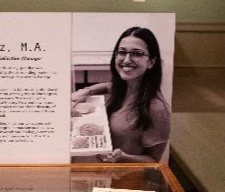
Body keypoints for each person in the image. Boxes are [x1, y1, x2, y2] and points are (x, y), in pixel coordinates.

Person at [71, 27, 171, 163]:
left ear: (151, 62)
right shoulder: (124, 87)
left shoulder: (157, 108)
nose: (127, 59)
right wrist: (86, 91)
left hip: (122, 178)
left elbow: (154, 161)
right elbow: (107, 86)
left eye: (137, 54)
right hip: (97, 170)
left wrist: (124, 157)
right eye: (122, 52)